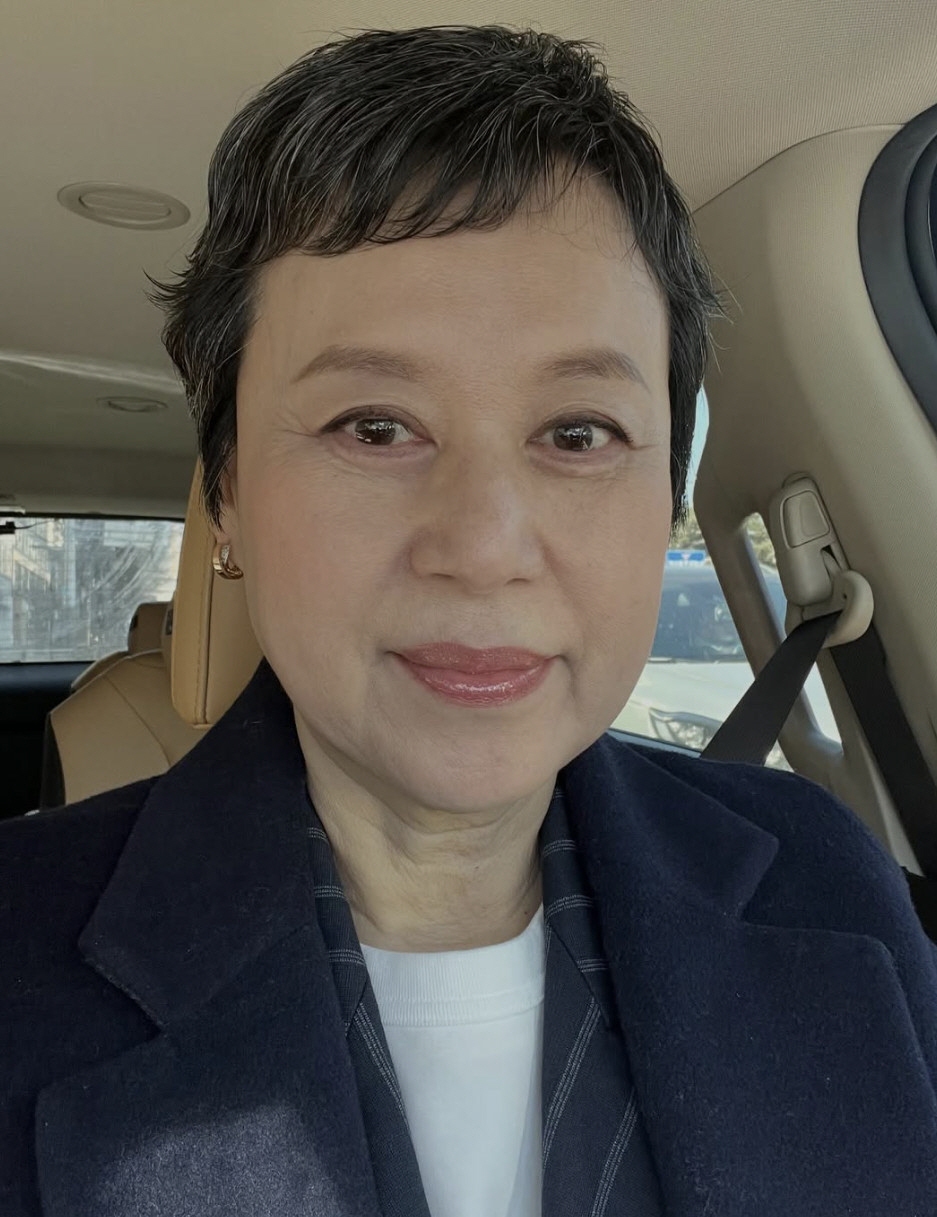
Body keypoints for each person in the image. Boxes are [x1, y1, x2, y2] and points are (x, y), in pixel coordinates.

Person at [2, 25, 937, 1217]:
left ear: (664, 490)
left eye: (578, 432)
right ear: (227, 493)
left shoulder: (825, 877)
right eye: (374, 426)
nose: (486, 545)